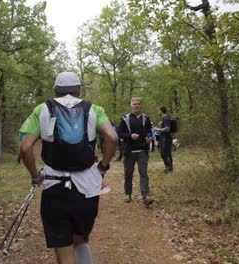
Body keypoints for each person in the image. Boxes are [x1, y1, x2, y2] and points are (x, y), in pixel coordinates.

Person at [20, 72, 118, 264]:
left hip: (55, 189)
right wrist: (103, 166)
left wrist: (35, 176)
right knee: (80, 240)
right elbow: (112, 138)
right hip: (87, 190)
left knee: (64, 251)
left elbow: (25, 147)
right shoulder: (94, 109)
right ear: (79, 89)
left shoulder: (42, 109)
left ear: (55, 90)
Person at [117, 97, 154, 206]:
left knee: (143, 173)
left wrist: (148, 138)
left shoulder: (146, 118)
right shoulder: (125, 118)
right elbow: (120, 133)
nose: (136, 105)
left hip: (142, 150)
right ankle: (128, 194)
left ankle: (146, 196)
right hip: (129, 151)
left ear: (141, 105)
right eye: (134, 104)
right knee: (128, 173)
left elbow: (149, 132)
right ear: (131, 105)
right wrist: (130, 136)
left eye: (138, 104)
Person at [155, 106, 173, 174]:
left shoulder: (165, 118)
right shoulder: (164, 118)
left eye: (159, 111)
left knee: (164, 154)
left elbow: (167, 128)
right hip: (163, 138)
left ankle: (169, 168)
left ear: (161, 111)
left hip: (166, 139)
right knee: (166, 153)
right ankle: (169, 168)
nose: (158, 112)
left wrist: (158, 129)